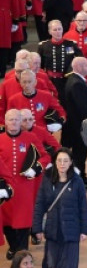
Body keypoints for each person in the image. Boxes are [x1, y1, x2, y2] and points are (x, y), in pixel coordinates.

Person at [31, 148, 87, 268]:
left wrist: (85, 229)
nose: (62, 164)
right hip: (53, 229)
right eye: (59, 160)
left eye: (65, 160)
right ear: (55, 162)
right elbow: (40, 204)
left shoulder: (77, 181)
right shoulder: (47, 179)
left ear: (71, 162)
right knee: (53, 262)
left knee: (68, 264)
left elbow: (83, 207)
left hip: (71, 230)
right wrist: (37, 228)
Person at [0, 109, 43, 258]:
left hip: (25, 187)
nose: (14, 122)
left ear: (21, 122)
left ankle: (22, 253)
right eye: (11, 120)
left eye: (17, 119)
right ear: (5, 122)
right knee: (6, 222)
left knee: (24, 221)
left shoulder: (30, 137)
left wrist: (35, 168)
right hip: (6, 189)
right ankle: (14, 247)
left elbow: (45, 157)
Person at [62, 57, 87, 189]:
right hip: (80, 127)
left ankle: (82, 176)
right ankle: (79, 179)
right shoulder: (76, 83)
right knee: (80, 155)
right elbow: (82, 108)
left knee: (80, 155)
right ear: (78, 67)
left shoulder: (75, 80)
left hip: (77, 126)